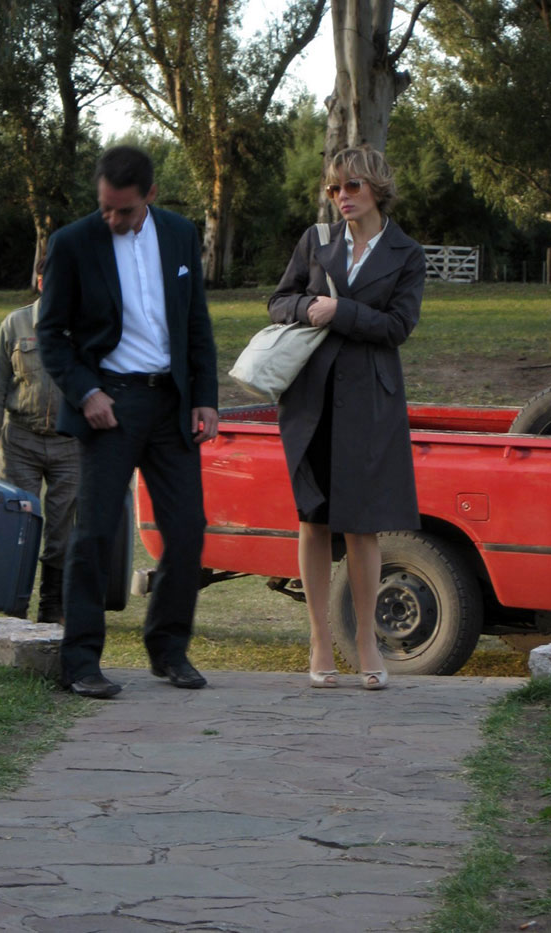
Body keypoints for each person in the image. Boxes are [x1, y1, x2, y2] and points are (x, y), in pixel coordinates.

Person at [38, 144, 218, 699]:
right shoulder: (72, 243)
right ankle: (80, 662)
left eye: (124, 210)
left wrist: (205, 397)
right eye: (105, 208)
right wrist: (86, 391)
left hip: (171, 402)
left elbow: (195, 320)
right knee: (94, 534)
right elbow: (51, 335)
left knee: (187, 531)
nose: (112, 219)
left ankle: (169, 651)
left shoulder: (181, 233)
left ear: (151, 195)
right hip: (109, 404)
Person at [268, 145, 425, 691]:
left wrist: (342, 311)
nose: (341, 196)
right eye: (334, 187)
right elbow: (278, 301)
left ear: (377, 187)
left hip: (369, 405)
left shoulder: (406, 252)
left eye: (352, 185)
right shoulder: (316, 240)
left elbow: (399, 326)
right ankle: (318, 639)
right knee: (313, 519)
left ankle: (366, 643)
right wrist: (307, 307)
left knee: (361, 525)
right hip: (310, 399)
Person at [0, 259, 79, 623]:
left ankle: (52, 608)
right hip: (21, 441)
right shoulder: (14, 324)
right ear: (40, 282)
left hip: (70, 445)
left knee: (62, 530)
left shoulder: (88, 326)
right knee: (18, 526)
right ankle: (13, 605)